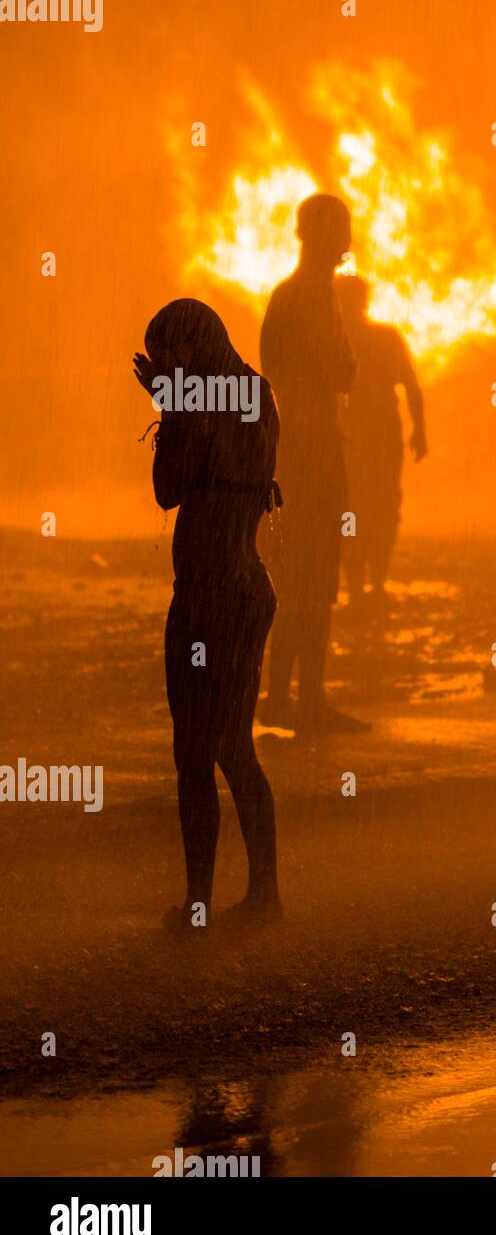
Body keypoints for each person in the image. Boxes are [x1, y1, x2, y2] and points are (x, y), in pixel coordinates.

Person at [133, 299, 282, 929]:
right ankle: (242, 899)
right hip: (231, 591)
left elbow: (171, 489)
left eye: (171, 353)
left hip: (214, 597)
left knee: (208, 750)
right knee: (216, 748)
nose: (167, 365)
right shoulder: (251, 392)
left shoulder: (213, 400)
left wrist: (172, 407)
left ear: (192, 347)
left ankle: (223, 904)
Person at [257, 194, 367, 733]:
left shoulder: (300, 295)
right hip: (310, 454)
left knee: (299, 578)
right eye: (340, 229)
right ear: (322, 236)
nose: (347, 240)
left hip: (297, 451)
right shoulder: (307, 298)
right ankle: (302, 703)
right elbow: (338, 371)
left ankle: (289, 700)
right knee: (312, 578)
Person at [335, 275, 427, 604]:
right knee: (367, 506)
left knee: (365, 506)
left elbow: (411, 385)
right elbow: (412, 387)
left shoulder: (354, 337)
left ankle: (367, 583)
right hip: (356, 435)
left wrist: (421, 429)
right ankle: (367, 583)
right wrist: (419, 430)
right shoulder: (337, 337)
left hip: (368, 435)